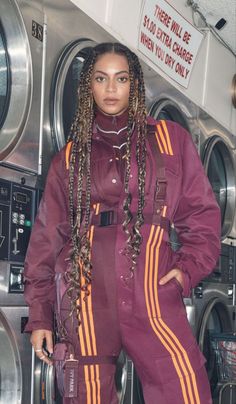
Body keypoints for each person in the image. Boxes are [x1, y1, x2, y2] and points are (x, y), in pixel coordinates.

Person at [24, 42, 221, 404]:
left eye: (121, 79)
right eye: (101, 79)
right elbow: (46, 240)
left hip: (152, 291)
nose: (111, 89)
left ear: (135, 85)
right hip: (84, 296)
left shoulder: (170, 140)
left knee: (185, 389)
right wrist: (39, 316)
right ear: (89, 87)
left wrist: (187, 269)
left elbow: (202, 216)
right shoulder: (68, 159)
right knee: (84, 396)